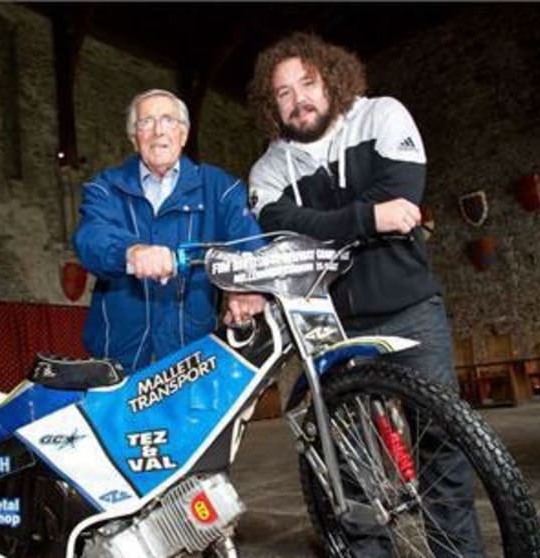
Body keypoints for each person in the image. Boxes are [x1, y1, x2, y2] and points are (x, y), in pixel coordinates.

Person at [247, 33, 483, 556]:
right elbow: (280, 226)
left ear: (331, 79)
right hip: (328, 323)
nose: (298, 99)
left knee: (440, 441)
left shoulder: (382, 116)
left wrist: (338, 221)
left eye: (306, 83)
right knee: (350, 460)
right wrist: (367, 218)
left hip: (407, 308)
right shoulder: (267, 168)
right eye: (282, 92)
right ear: (271, 104)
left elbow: (399, 196)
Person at [73, 89, 265, 373]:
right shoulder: (105, 188)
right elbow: (90, 237)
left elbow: (251, 245)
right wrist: (131, 251)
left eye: (168, 120)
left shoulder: (220, 189)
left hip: (192, 359)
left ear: (184, 135)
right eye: (145, 122)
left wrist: (249, 287)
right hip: (117, 359)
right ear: (134, 139)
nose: (158, 131)